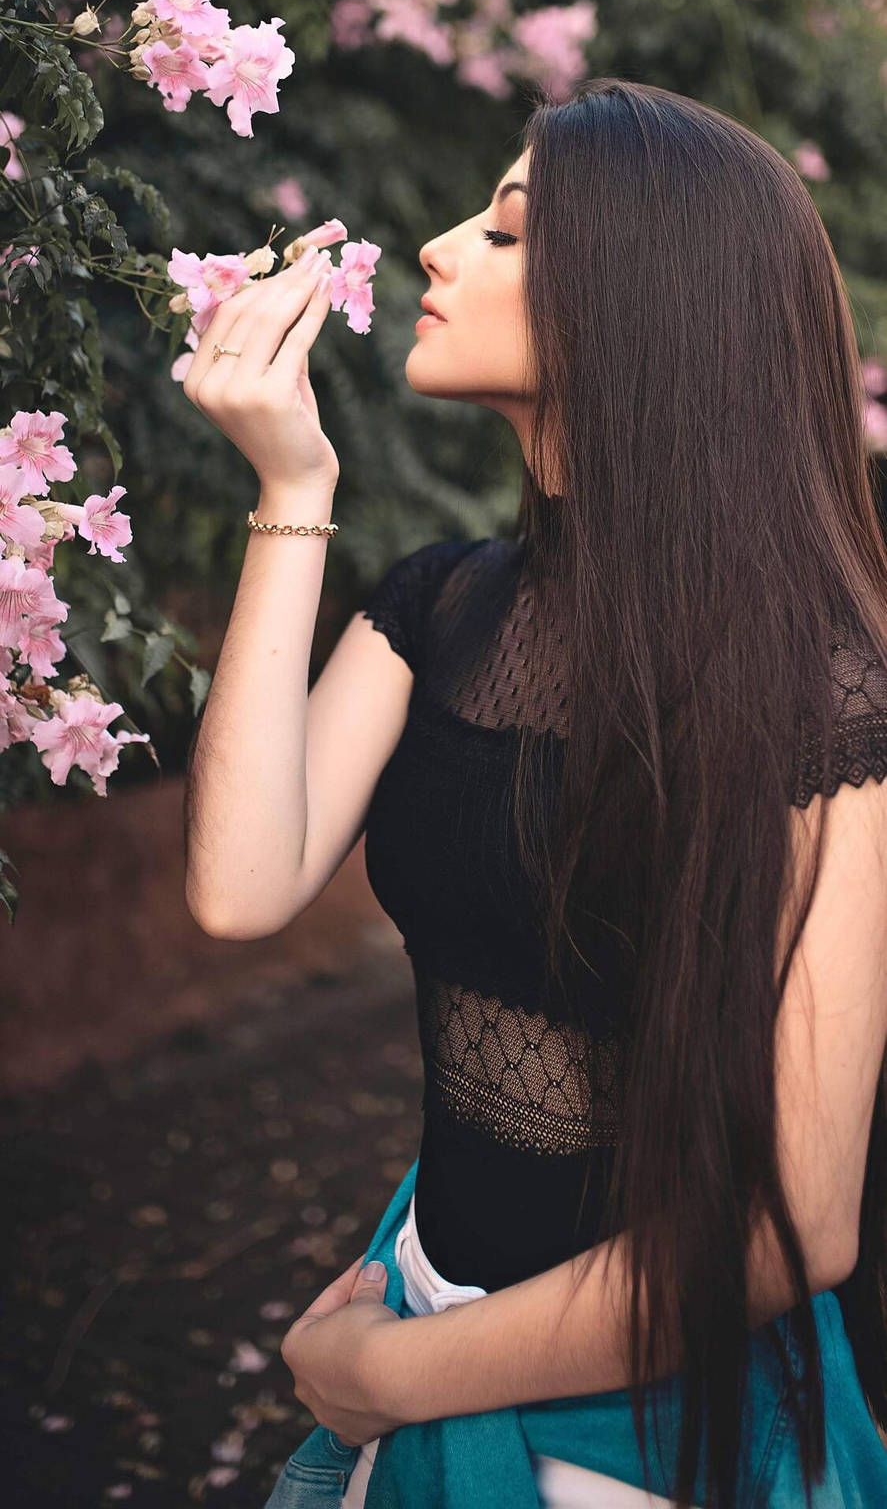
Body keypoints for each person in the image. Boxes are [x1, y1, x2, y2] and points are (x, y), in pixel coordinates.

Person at [181, 76, 887, 1509]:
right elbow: (242, 885)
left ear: (638, 302)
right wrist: (290, 483)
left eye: (508, 232)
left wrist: (389, 1377)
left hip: (639, 1431)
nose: (440, 248)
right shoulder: (441, 607)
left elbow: (790, 1223)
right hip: (419, 1290)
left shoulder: (823, 690)